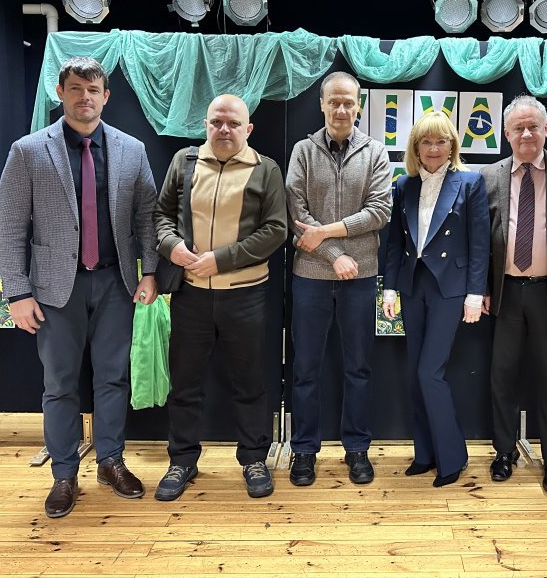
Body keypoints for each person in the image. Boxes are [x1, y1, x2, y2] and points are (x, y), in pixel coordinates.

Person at [0, 56, 159, 519]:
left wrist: (150, 272)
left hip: (115, 283)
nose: (84, 97)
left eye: (92, 90)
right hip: (53, 290)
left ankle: (110, 461)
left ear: (106, 96)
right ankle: (64, 473)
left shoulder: (132, 150)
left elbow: (146, 216)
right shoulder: (28, 151)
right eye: (75, 89)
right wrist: (17, 293)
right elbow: (10, 225)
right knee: (60, 384)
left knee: (113, 379)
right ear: (61, 93)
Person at [151, 94, 287, 501]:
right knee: (185, 384)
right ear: (206, 125)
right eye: (216, 122)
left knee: (250, 382)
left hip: (246, 296)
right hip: (190, 296)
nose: (224, 129)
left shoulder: (265, 169)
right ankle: (182, 460)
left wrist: (221, 260)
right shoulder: (184, 162)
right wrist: (171, 246)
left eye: (233, 123)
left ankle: (254, 459)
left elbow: (276, 230)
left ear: (248, 129)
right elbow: (160, 215)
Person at [285, 71, 392, 486]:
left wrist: (328, 234)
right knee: (305, 369)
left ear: (358, 106)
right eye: (334, 102)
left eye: (349, 102)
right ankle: (303, 450)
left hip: (360, 276)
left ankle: (357, 448)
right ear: (322, 105)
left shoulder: (375, 152)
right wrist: (334, 255)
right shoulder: (303, 151)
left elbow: (379, 211)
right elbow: (297, 215)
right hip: (310, 276)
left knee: (359, 368)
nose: (342, 109)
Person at [480, 96, 547, 494]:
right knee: (501, 378)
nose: (526, 134)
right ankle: (504, 452)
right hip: (504, 293)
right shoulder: (487, 177)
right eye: (518, 128)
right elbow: (479, 241)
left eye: (533, 127)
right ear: (506, 134)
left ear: (546, 129)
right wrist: (482, 288)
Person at [382, 111, 490, 487]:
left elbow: (480, 244)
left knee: (431, 372)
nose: (433, 148)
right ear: (415, 148)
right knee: (415, 373)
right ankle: (425, 453)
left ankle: (452, 457)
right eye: (426, 142)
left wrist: (475, 293)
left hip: (450, 288)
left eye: (441, 141)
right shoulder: (404, 185)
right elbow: (394, 243)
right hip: (413, 287)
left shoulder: (471, 182)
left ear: (452, 145)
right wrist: (389, 288)